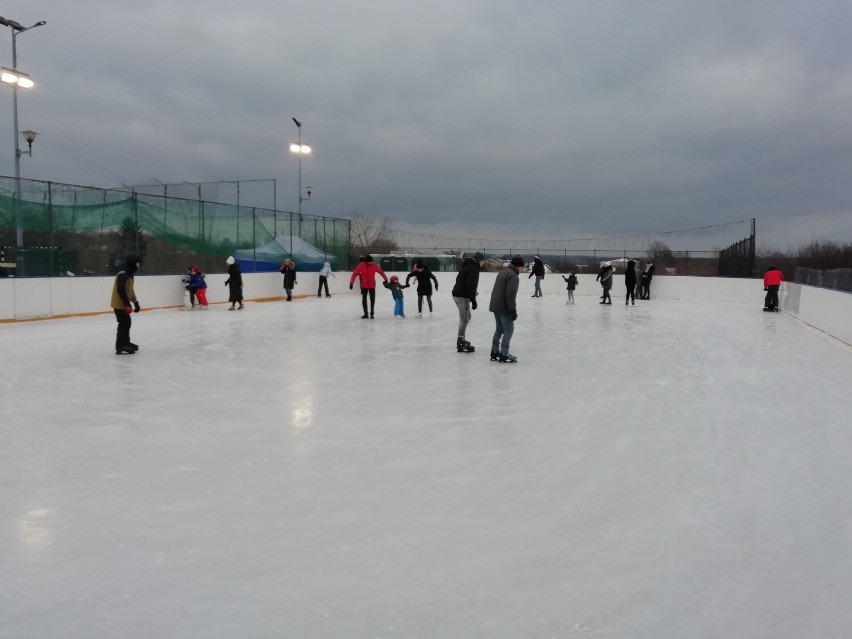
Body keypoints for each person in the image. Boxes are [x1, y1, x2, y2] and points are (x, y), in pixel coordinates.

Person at [489, 256, 523, 363]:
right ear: (519, 266)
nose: (523, 270)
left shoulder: (503, 272)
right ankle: (504, 353)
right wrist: (512, 310)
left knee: (500, 329)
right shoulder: (513, 276)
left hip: (495, 305)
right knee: (509, 330)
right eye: (522, 267)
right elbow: (510, 294)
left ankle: (494, 351)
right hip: (504, 306)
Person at [451, 251, 486, 352]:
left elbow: (461, 280)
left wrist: (472, 295)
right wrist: (473, 299)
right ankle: (460, 341)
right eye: (483, 261)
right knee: (464, 318)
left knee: (467, 317)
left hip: (457, 294)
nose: (484, 263)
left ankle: (461, 339)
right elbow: (471, 284)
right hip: (462, 296)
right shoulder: (474, 268)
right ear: (479, 260)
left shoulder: (467, 265)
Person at [110, 255, 141, 355]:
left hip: (123, 303)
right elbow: (121, 289)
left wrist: (136, 303)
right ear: (133, 263)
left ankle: (125, 343)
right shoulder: (124, 273)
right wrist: (127, 303)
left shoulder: (129, 273)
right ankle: (120, 346)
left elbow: (130, 290)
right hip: (119, 303)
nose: (138, 266)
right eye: (137, 264)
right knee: (124, 323)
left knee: (126, 322)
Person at [349, 254, 389, 318]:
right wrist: (351, 283)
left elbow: (381, 272)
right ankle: (366, 314)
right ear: (366, 261)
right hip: (364, 285)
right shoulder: (361, 265)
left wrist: (386, 279)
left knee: (372, 300)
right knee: (364, 300)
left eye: (371, 262)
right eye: (369, 262)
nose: (371, 263)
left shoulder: (374, 265)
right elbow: (355, 273)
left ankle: (372, 314)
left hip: (372, 286)